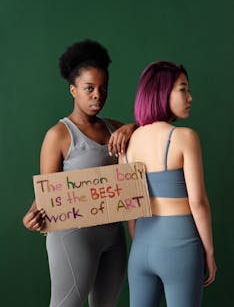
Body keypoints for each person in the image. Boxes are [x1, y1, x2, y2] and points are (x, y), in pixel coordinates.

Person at [23, 39, 136, 307]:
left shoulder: (115, 130)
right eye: (89, 88)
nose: (98, 94)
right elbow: (49, 191)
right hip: (73, 236)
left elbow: (150, 129)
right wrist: (32, 215)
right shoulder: (59, 135)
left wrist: (132, 126)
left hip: (113, 236)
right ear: (73, 90)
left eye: (103, 87)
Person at [120, 61, 217, 307]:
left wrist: (141, 241)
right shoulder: (184, 137)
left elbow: (130, 207)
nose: (190, 97)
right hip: (180, 245)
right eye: (183, 89)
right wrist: (209, 251)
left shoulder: (128, 143)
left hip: (141, 246)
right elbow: (198, 201)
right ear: (161, 92)